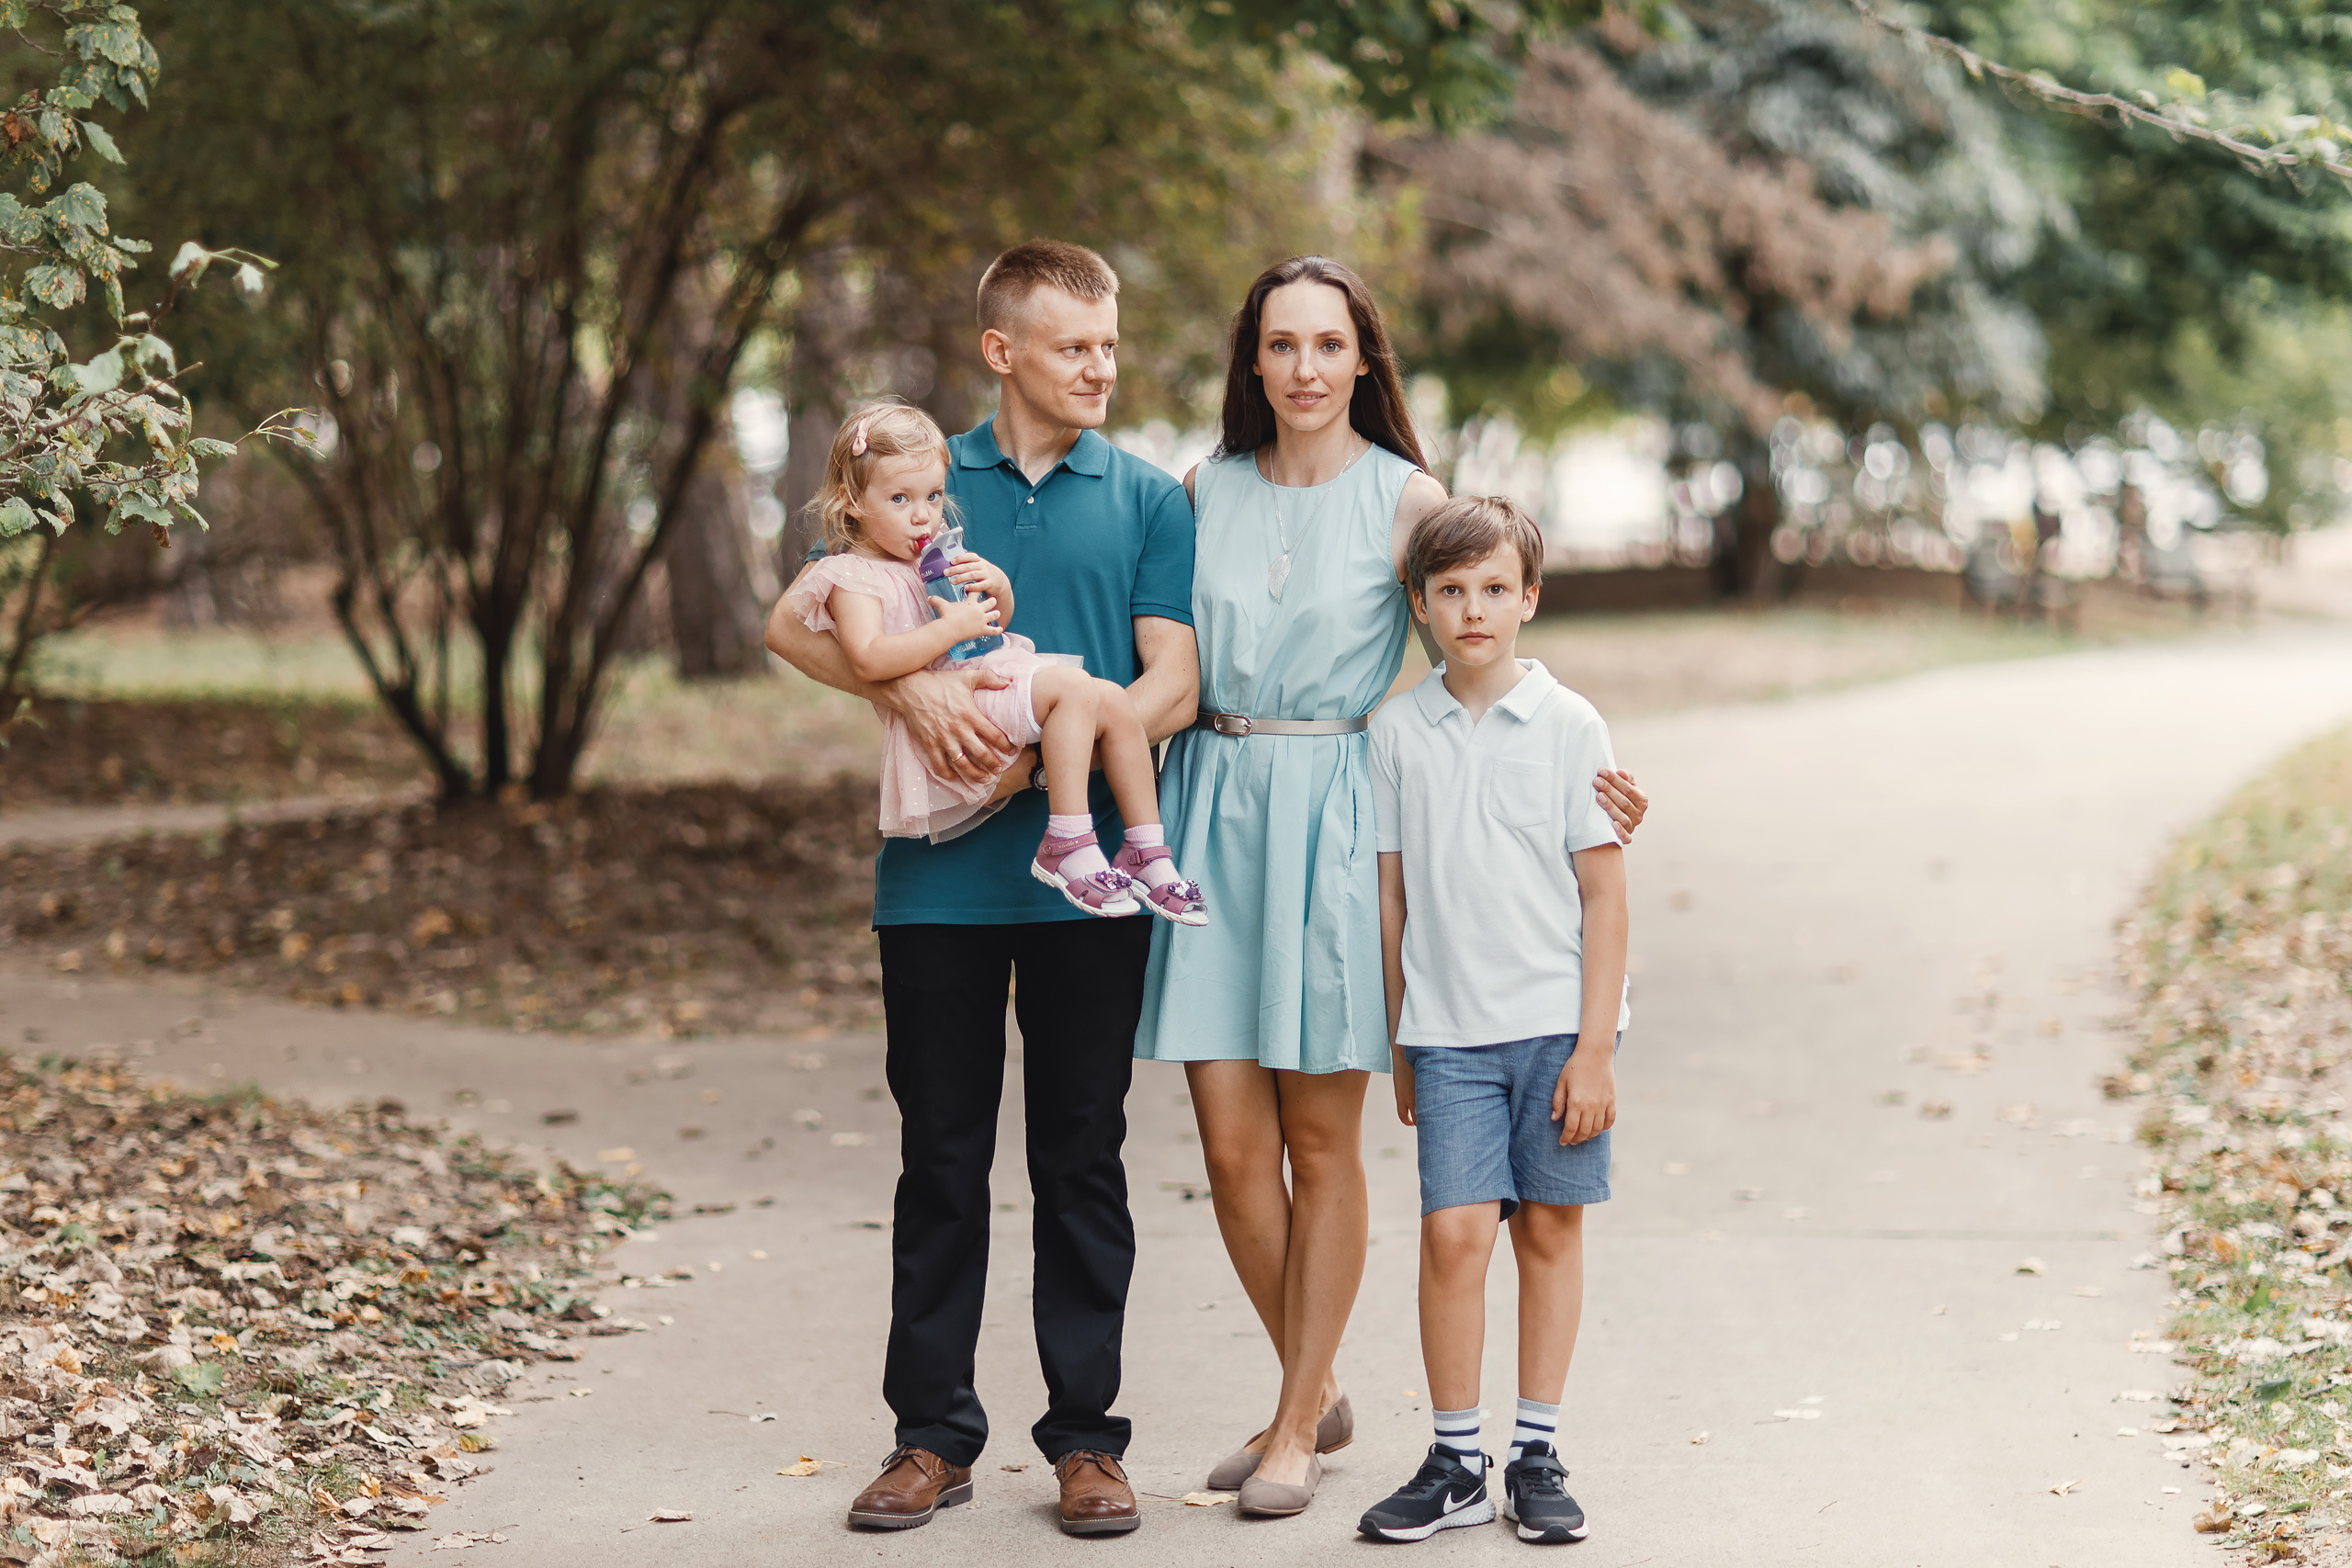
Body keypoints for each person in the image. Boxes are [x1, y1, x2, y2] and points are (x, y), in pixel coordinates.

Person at [1131, 255, 1647, 1520]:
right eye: (1281, 345)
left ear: (1365, 358)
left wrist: (1580, 766)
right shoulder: (1201, 487)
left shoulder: (1409, 498)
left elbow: (1484, 631)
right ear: (1251, 361)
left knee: (1320, 1134)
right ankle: (1315, 1379)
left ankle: (1298, 1417)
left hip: (1337, 811)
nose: (1305, 367)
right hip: (1212, 800)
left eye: (1328, 343)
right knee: (1230, 1143)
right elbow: (1165, 654)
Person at [763, 240, 1201, 1539]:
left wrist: (1032, 754)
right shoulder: (916, 476)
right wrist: (907, 685)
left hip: (1087, 877)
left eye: (1110, 344)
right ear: (1002, 350)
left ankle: (1086, 1440)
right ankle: (932, 1434)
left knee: (1083, 1158)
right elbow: (795, 621)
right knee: (940, 1158)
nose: (1102, 366)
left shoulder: (1146, 497)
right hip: (934, 885)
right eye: (1075, 345)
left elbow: (1171, 677)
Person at [1356, 495, 1628, 1547]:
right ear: (1420, 606)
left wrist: (1595, 1048)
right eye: (1451, 591)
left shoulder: (1571, 725)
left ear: (1529, 599)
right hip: (1450, 1033)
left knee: (1550, 1233)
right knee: (1453, 1234)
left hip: (1559, 1030)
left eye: (1494, 590)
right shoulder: (1393, 732)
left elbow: (1603, 894)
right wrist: (1399, 1040)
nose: (1474, 609)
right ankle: (1456, 1458)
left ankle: (1536, 1450)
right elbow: (1392, 900)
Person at [781, 397, 1206, 919]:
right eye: (900, 499)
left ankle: (1144, 849)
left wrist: (997, 590)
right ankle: (1068, 840)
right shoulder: (853, 573)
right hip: (973, 698)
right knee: (1075, 690)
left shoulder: (932, 548)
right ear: (853, 502)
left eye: (935, 496)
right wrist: (946, 635)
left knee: (1112, 700)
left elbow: (989, 624)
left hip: (991, 670)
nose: (922, 514)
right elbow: (867, 657)